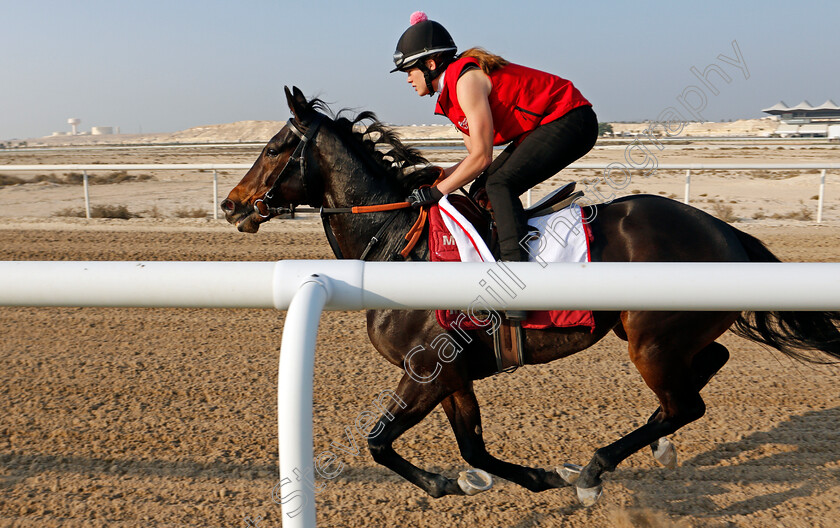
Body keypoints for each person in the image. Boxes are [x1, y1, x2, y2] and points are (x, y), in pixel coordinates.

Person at [392, 11, 598, 263]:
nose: (408, 79)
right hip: (550, 122)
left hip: (572, 118)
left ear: (430, 64)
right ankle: (503, 247)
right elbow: (474, 159)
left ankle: (514, 266)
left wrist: (437, 193)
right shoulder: (449, 97)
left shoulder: (465, 81)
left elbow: (482, 157)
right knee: (481, 188)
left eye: (409, 71)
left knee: (499, 184)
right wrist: (437, 177)